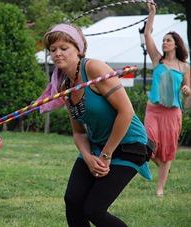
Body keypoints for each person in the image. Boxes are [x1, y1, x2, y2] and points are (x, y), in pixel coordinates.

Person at [38, 23, 152, 227]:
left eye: (64, 48)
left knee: (94, 210)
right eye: (52, 50)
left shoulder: (94, 69)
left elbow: (126, 112)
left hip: (128, 144)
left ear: (79, 49)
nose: (57, 54)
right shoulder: (65, 85)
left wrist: (105, 156)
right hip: (97, 146)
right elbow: (79, 132)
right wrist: (89, 158)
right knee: (73, 201)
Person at [144, 2, 190, 197]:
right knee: (146, 143)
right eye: (163, 40)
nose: (164, 43)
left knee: (168, 150)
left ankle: (160, 189)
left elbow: (188, 93)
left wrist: (188, 90)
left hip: (173, 113)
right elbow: (147, 35)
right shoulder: (158, 60)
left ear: (176, 44)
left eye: (168, 40)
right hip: (153, 110)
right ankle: (161, 164)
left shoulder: (184, 67)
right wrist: (152, 13)